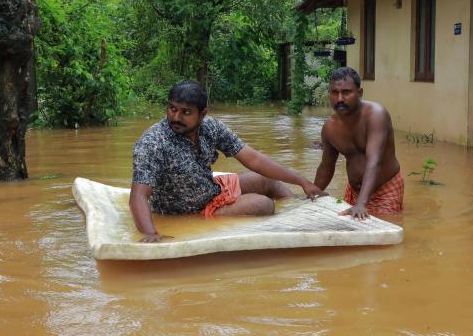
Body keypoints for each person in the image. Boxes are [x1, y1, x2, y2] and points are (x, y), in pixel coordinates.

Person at [130, 80, 325, 242]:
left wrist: (302, 181)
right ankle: (286, 229)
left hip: (211, 189)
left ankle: (299, 217)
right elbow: (138, 196)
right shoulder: (153, 143)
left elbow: (254, 159)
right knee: (263, 204)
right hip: (191, 209)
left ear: (202, 114)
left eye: (185, 112)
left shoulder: (210, 127)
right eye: (172, 109)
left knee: (268, 181)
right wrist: (150, 234)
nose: (176, 117)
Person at [314, 67, 403, 220]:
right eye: (335, 93)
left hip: (385, 189)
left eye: (346, 92)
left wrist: (361, 204)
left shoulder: (376, 115)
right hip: (354, 192)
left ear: (360, 93)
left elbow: (374, 162)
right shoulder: (329, 127)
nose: (340, 99)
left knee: (385, 236)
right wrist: (312, 194)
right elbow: (326, 167)